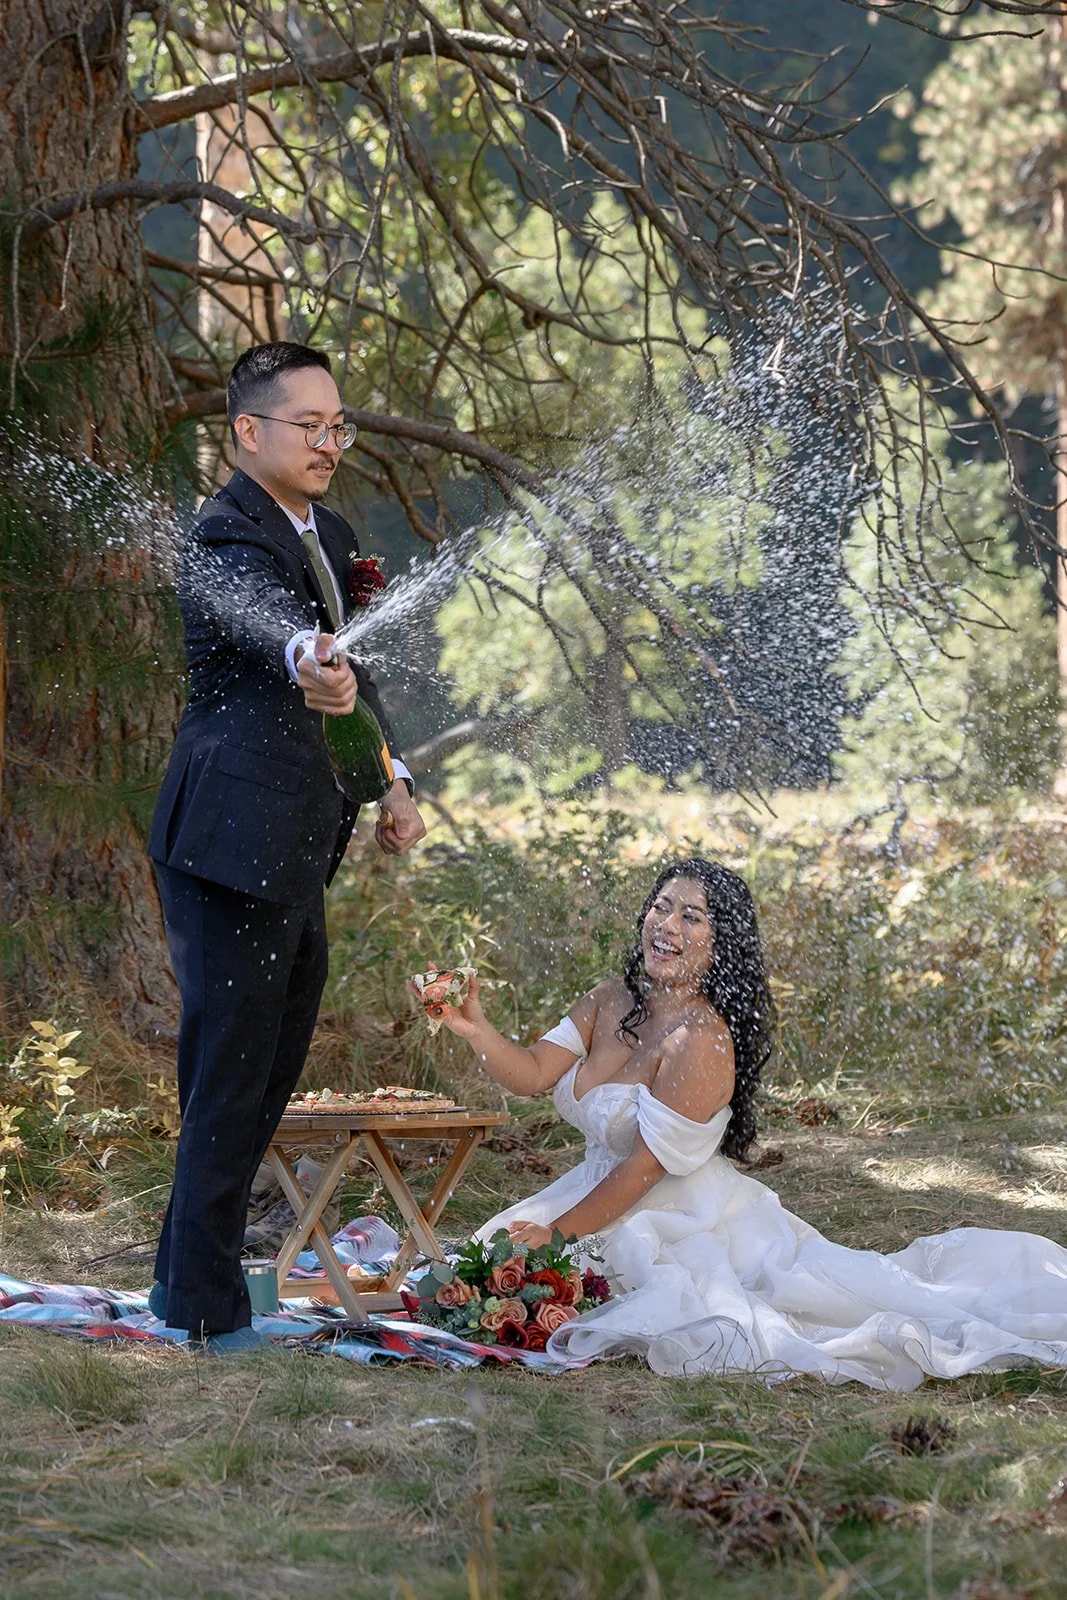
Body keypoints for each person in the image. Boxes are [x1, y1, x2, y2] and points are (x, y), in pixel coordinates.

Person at [431, 859, 1067, 1388]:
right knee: (471, 1279)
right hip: (593, 1189)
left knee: (593, 1292)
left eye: (692, 916)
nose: (667, 924)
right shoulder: (608, 999)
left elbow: (642, 1170)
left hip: (674, 1213)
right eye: (661, 907)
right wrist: (477, 1029)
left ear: (720, 941)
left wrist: (557, 1236)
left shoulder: (700, 1041)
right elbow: (532, 1072)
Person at [147, 341, 426, 1350]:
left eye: (337, 424)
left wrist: (387, 780)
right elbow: (281, 631)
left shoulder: (333, 529)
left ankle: (183, 1284)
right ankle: (207, 1312)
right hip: (225, 848)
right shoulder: (225, 532)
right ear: (247, 432)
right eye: (306, 425)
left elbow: (351, 669)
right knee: (228, 1076)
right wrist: (306, 652)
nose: (327, 441)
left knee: (264, 1076)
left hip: (295, 849)